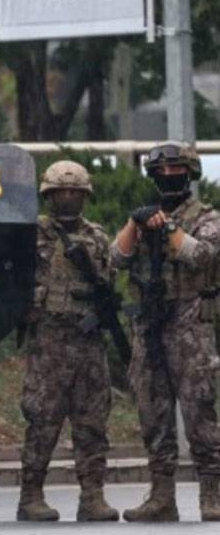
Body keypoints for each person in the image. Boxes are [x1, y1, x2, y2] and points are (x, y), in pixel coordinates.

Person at [111, 142, 220, 522]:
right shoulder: (146, 218)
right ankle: (162, 497)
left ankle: (212, 494)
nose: (169, 179)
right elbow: (116, 259)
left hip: (190, 326)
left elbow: (201, 256)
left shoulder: (206, 218)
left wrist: (169, 226)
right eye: (162, 173)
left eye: (176, 172)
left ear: (190, 175)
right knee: (153, 414)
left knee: (199, 412)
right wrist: (134, 223)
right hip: (150, 326)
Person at [17, 161, 118, 522]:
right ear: (49, 195)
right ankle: (31, 496)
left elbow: (108, 281)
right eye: (62, 191)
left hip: (89, 342)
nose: (69, 197)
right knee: (43, 419)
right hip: (50, 341)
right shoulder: (33, 234)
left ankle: (92, 496)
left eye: (75, 192)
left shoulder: (98, 237)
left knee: (92, 422)